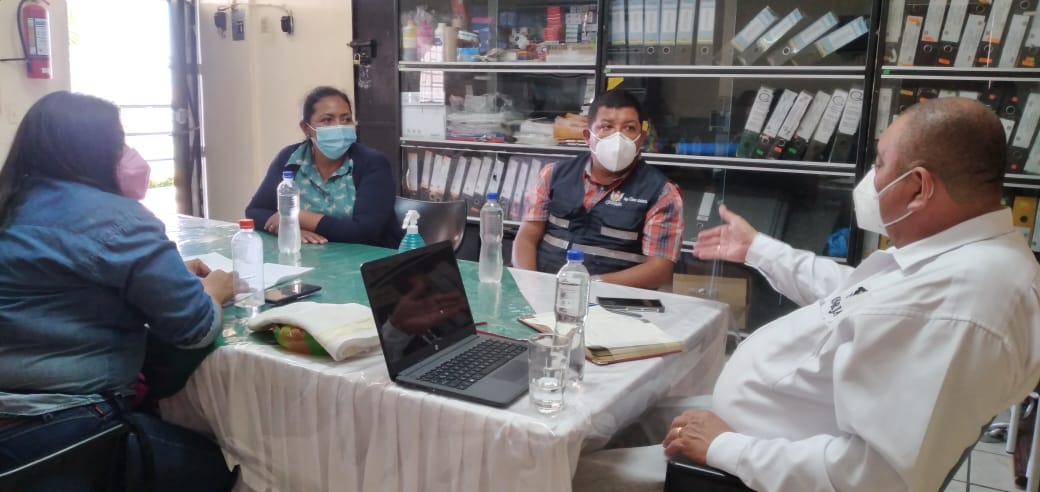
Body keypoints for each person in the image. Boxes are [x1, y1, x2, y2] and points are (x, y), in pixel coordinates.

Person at [573, 97, 1040, 491]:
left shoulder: (958, 302)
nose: (870, 178)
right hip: (756, 430)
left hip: (749, 466)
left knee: (566, 470)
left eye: (880, 163)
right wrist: (760, 250)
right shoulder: (957, 259)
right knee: (612, 419)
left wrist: (724, 446)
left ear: (918, 187)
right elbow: (853, 292)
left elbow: (873, 477)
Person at [0, 91, 238, 491]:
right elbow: (194, 327)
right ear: (95, 150)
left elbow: (60, 285)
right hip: (70, 427)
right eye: (120, 142)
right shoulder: (119, 219)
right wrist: (213, 290)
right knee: (228, 467)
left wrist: (165, 275)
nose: (128, 154)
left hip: (14, 432)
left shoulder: (10, 204)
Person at [512, 90, 684, 289]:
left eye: (629, 128)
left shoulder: (662, 194)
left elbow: (659, 269)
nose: (617, 137)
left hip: (614, 301)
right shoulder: (552, 175)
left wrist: (587, 286)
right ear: (588, 136)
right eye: (606, 127)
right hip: (543, 291)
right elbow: (526, 238)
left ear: (641, 137)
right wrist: (529, 286)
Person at [245, 86, 400, 247]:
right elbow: (255, 212)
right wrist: (290, 228)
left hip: (368, 258)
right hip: (312, 255)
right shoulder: (290, 159)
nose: (339, 126)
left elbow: (365, 232)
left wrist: (298, 216)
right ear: (306, 128)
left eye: (346, 119)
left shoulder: (372, 163)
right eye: (327, 120)